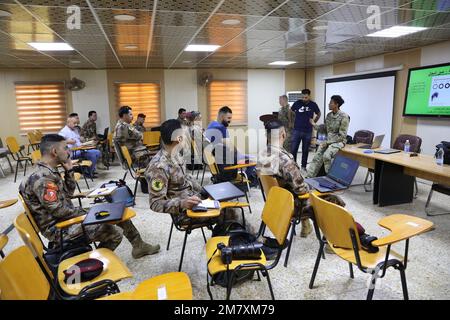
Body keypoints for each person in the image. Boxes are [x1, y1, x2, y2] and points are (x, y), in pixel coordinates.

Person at [19, 134, 160, 259]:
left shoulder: (48, 171)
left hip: (66, 218)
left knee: (116, 211)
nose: (69, 151)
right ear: (54, 152)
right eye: (65, 148)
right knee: (115, 233)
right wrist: (90, 213)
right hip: (60, 229)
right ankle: (93, 263)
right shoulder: (42, 179)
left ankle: (139, 246)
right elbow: (59, 211)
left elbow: (67, 194)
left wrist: (69, 171)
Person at [145, 119, 209, 223]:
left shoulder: (176, 155)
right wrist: (182, 203)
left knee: (226, 202)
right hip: (184, 212)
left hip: (194, 199)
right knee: (231, 212)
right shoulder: (159, 167)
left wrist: (205, 192)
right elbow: (155, 203)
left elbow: (186, 177)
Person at [257, 120, 313, 237]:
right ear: (283, 134)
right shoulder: (284, 160)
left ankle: (306, 226)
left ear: (267, 136)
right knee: (329, 199)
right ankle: (335, 241)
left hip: (274, 200)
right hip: (290, 204)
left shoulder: (262, 154)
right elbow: (301, 189)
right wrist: (313, 189)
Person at [307, 95, 349, 178]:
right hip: (328, 141)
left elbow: (342, 136)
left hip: (338, 142)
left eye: (331, 103)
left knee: (326, 156)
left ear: (336, 104)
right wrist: (313, 124)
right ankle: (309, 177)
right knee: (317, 156)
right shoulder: (329, 115)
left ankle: (330, 178)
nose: (329, 104)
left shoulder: (344, 116)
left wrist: (327, 142)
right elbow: (324, 129)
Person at [290, 89, 321, 170]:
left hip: (308, 131)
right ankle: (294, 166)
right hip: (297, 130)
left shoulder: (313, 104)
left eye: (306, 97)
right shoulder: (297, 103)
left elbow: (319, 113)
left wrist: (313, 122)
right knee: (293, 149)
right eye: (303, 97)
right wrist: (291, 122)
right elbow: (290, 112)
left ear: (309, 96)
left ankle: (303, 167)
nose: (304, 99)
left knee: (305, 150)